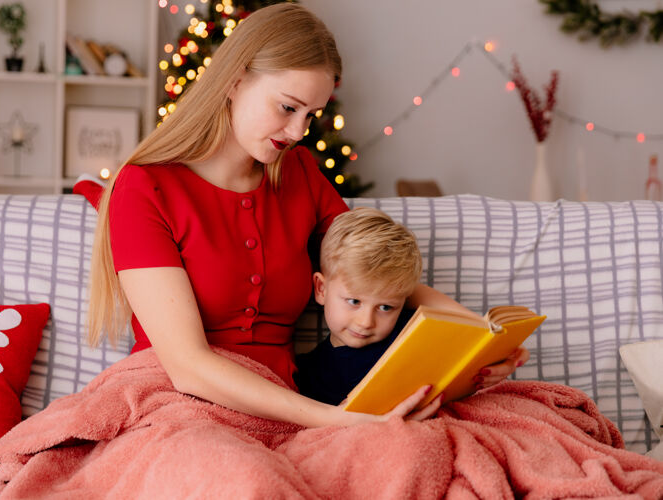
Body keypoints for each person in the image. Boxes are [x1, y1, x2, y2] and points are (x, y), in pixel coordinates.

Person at [87, 2, 527, 429]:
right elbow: (188, 367)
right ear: (234, 81)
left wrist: (479, 340)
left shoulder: (299, 173)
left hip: (286, 405)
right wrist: (333, 420)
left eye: (310, 115)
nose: (298, 132)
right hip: (177, 404)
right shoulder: (144, 187)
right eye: (287, 107)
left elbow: (381, 278)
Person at [294, 207, 528, 406]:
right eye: (354, 302)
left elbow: (473, 342)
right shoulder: (309, 372)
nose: (366, 322)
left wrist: (502, 352)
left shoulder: (414, 330)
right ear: (321, 289)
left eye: (386, 307)